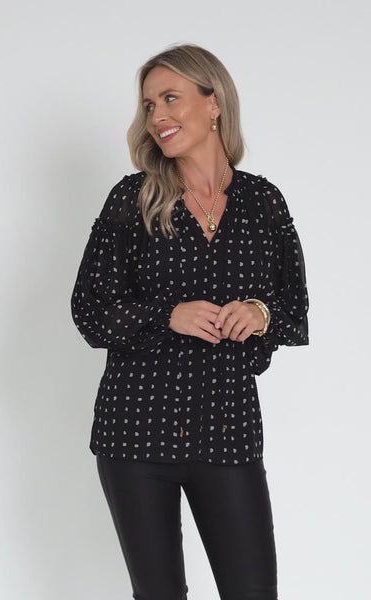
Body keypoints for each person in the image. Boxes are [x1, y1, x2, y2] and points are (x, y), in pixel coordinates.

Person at [71, 43, 309, 600]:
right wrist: (167, 315)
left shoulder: (262, 203)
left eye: (170, 98)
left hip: (228, 433)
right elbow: (89, 310)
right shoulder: (132, 200)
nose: (157, 116)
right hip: (135, 437)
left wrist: (259, 312)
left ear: (213, 103)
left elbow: (294, 308)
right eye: (149, 105)